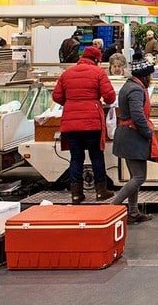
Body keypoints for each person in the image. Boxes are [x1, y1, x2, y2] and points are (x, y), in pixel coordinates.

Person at [52, 46, 117, 204]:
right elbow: (110, 97)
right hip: (91, 122)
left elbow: (56, 96)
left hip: (71, 124)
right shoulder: (98, 73)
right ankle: (101, 191)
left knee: (76, 158)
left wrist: (71, 103)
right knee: (96, 155)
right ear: (96, 59)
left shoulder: (67, 74)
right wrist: (95, 101)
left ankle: (76, 194)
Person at [111, 54, 156, 224]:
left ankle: (133, 211)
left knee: (134, 176)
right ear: (144, 75)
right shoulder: (136, 89)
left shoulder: (129, 85)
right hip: (132, 136)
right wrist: (148, 133)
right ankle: (112, 207)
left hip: (126, 134)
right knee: (139, 177)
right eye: (150, 75)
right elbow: (137, 115)